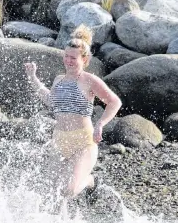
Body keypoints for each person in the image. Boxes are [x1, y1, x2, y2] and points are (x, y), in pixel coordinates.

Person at [24, 25, 122, 207]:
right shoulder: (58, 80)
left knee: (70, 189)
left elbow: (114, 102)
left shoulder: (90, 80)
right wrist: (33, 78)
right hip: (59, 140)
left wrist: (100, 123)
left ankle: (91, 181)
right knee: (53, 191)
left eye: (73, 58)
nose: (68, 61)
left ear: (84, 60)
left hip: (83, 140)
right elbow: (50, 101)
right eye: (66, 56)